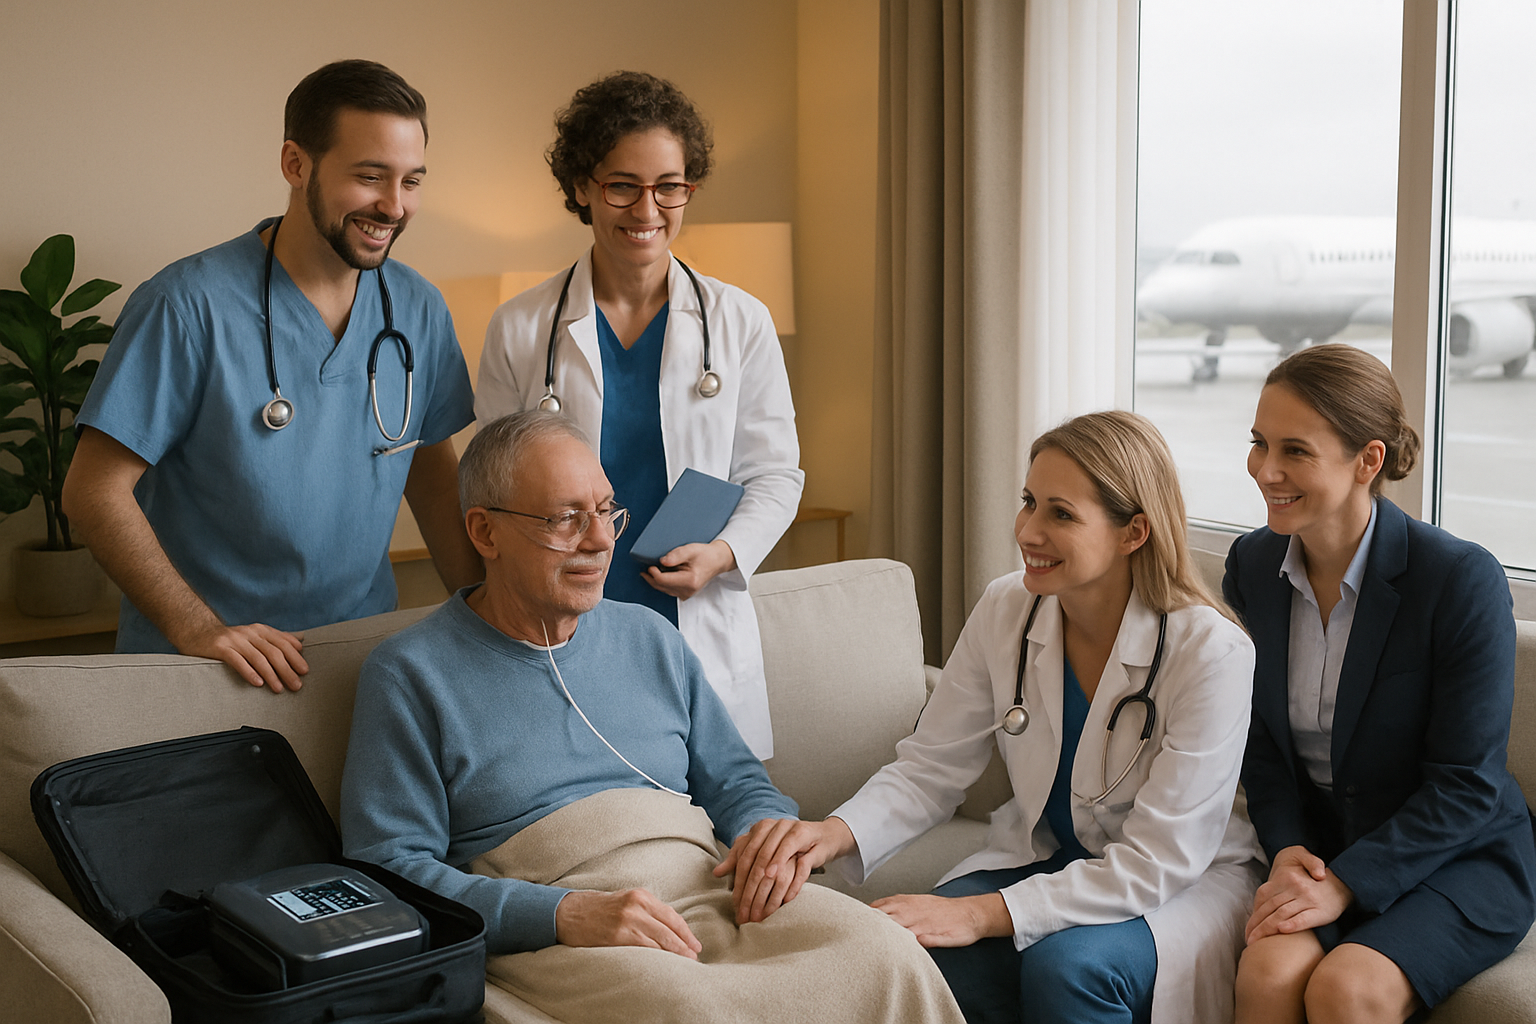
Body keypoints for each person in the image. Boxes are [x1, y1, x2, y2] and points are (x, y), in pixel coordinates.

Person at [339, 410, 963, 1024]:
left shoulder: (649, 636)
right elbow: (389, 867)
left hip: (713, 890)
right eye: (565, 519)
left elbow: (738, 783)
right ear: (484, 532)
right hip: (563, 928)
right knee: (695, 1011)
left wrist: (765, 838)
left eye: (606, 510)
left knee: (887, 953)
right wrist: (562, 914)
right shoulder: (410, 673)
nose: (600, 540)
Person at [720, 410, 1265, 1024]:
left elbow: (1157, 861)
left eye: (1061, 514)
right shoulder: (1009, 606)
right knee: (909, 956)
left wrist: (978, 913)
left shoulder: (1211, 652)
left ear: (1133, 532)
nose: (1028, 531)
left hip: (1175, 887)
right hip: (1049, 856)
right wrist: (831, 833)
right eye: (1029, 502)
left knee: (1069, 968)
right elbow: (931, 767)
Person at [62, 60, 480, 692]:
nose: (394, 206)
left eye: (411, 181)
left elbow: (432, 477)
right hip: (211, 667)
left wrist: (487, 623)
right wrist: (197, 628)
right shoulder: (187, 306)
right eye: (370, 176)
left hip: (358, 657)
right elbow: (93, 493)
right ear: (296, 164)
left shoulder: (417, 307)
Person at [475, 71, 802, 758]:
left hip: (694, 611)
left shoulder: (740, 322)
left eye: (668, 186)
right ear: (582, 187)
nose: (647, 208)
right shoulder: (521, 328)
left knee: (717, 807)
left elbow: (775, 475)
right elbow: (492, 494)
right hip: (562, 619)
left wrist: (723, 554)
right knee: (587, 799)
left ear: (688, 189)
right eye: (622, 185)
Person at [1224, 344, 1536, 1024]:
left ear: (1368, 460)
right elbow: (1259, 743)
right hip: (1322, 847)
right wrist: (1287, 850)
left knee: (1347, 988)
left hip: (1456, 856)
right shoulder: (1251, 565)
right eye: (1259, 442)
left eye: (1295, 450)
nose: (1265, 470)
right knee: (1268, 973)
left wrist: (1346, 882)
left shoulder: (1458, 580)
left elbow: (1466, 784)